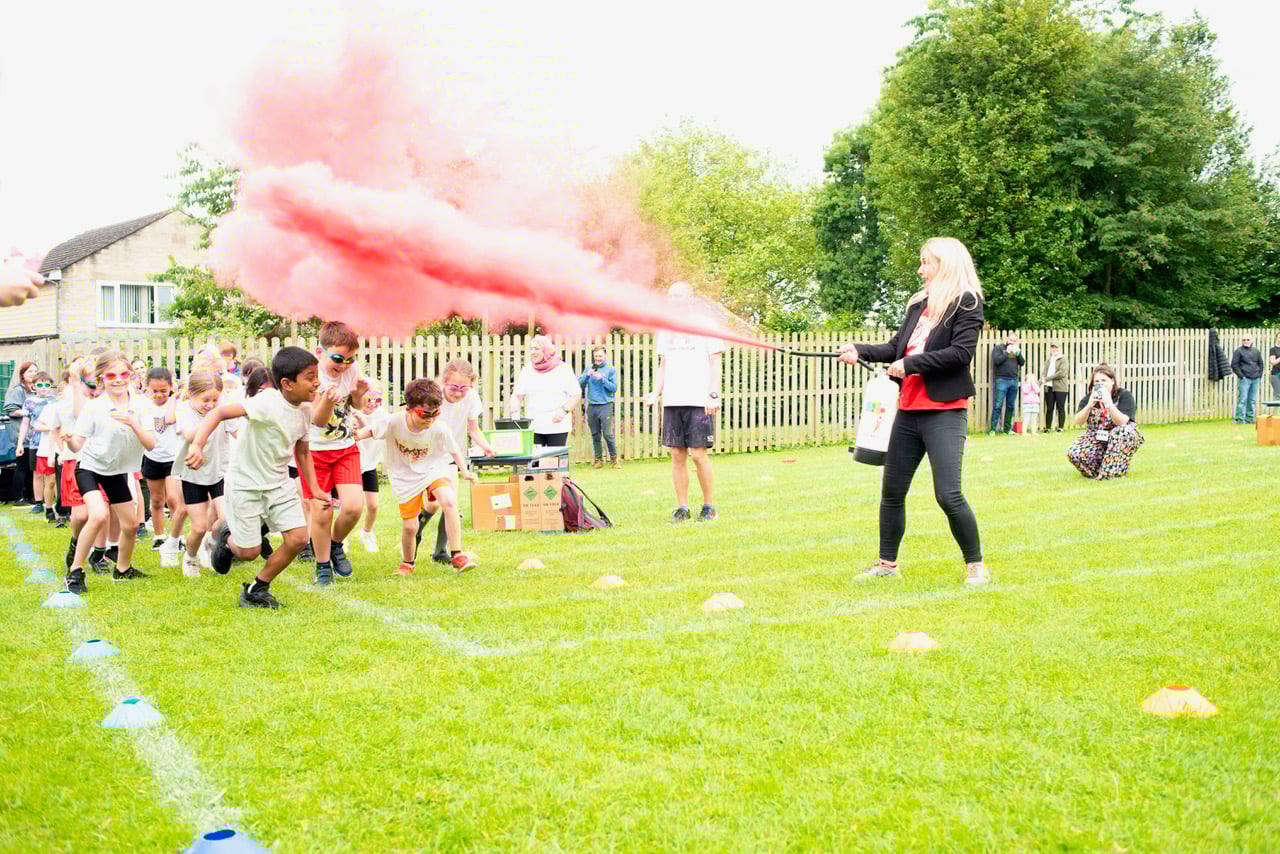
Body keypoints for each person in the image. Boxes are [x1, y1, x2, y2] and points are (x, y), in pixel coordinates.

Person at [839, 237, 990, 585]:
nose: (920, 270)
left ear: (946, 265)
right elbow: (896, 348)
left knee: (948, 494)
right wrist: (857, 349)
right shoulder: (918, 305)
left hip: (944, 411)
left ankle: (976, 566)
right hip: (907, 410)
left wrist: (913, 364)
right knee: (892, 491)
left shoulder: (967, 303)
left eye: (926, 263)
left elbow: (960, 354)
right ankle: (886, 565)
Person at [185, 346, 327, 609]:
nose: (316, 382)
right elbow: (219, 413)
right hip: (246, 486)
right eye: (309, 376)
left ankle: (257, 588)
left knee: (297, 539)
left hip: (279, 484)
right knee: (248, 552)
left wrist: (315, 489)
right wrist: (196, 446)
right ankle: (227, 541)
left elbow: (303, 451)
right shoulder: (266, 402)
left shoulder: (305, 410)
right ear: (287, 384)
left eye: (316, 375)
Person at [361, 378, 478, 576]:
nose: (430, 419)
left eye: (436, 413)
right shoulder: (393, 421)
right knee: (410, 526)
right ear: (409, 409)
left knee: (449, 501)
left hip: (434, 468)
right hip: (405, 476)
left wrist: (465, 472)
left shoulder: (439, 427)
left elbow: (455, 450)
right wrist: (351, 436)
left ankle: (457, 554)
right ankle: (408, 563)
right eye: (425, 414)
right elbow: (369, 431)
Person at [63, 350, 158, 594]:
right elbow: (77, 446)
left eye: (124, 373)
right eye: (111, 375)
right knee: (97, 516)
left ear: (132, 375)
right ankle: (75, 572)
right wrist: (68, 440)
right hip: (90, 468)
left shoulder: (143, 406)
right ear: (101, 378)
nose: (118, 379)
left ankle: (123, 569)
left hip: (117, 472)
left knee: (129, 525)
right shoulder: (94, 407)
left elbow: (150, 444)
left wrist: (132, 423)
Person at [644, 282, 724, 522]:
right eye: (670, 296)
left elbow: (715, 362)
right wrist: (655, 392)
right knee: (677, 456)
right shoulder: (666, 328)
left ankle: (709, 507)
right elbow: (663, 365)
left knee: (699, 455)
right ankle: (683, 508)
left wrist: (713, 394)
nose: (672, 300)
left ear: (691, 298)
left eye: (677, 296)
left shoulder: (706, 324)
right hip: (673, 400)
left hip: (698, 400)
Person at [304, 321, 370, 585]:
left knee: (354, 507)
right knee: (321, 511)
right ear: (320, 352)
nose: (344, 365)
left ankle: (335, 545)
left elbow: (356, 405)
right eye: (338, 359)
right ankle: (322, 565)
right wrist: (327, 402)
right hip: (314, 452)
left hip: (345, 449)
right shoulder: (310, 376)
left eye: (350, 359)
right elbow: (317, 421)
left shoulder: (351, 370)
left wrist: (359, 396)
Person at [416, 359, 495, 565]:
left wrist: (485, 445)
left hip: (452, 458)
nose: (459, 393)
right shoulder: (431, 397)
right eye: (454, 388)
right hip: (426, 457)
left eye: (464, 388)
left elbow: (473, 429)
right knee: (432, 505)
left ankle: (442, 551)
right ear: (443, 381)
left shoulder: (471, 398)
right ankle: (415, 531)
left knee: (450, 502)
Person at [171, 372, 228, 577]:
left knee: (226, 518)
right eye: (205, 400)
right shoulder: (184, 410)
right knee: (199, 526)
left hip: (219, 471)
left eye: (215, 400)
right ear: (192, 395)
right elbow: (190, 434)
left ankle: (211, 544)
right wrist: (216, 417)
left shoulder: (223, 410)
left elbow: (238, 432)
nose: (211, 405)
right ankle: (191, 555)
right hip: (193, 474)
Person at [140, 367, 187, 564]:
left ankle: (178, 537)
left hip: (173, 458)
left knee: (175, 500)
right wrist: (175, 397)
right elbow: (160, 424)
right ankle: (159, 537)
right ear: (147, 388)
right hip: (152, 457)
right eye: (155, 391)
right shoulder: (144, 407)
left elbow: (173, 418)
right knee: (157, 500)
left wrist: (175, 397)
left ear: (171, 388)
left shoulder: (178, 405)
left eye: (164, 391)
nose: (159, 395)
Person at [1067, 364, 1143, 480]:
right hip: (1097, 438)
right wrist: (1089, 405)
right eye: (1097, 381)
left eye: (1104, 380)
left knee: (1121, 432)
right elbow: (1078, 421)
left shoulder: (1124, 396)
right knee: (1074, 452)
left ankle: (1111, 474)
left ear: (1112, 381)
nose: (1100, 383)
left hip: (1120, 437)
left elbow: (1122, 422)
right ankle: (1099, 471)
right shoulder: (1089, 398)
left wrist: (1109, 404)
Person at [508, 336, 581, 447]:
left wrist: (564, 411)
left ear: (546, 350)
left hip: (557, 424)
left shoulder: (563, 369)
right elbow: (517, 395)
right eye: (531, 349)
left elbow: (576, 394)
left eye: (537, 349)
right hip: (534, 425)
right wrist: (515, 413)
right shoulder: (527, 370)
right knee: (536, 462)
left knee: (554, 461)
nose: (533, 352)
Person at [355, 379, 388, 553]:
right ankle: (341, 538)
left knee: (373, 506)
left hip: (369, 464)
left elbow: (374, 431)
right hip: (351, 464)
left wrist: (362, 420)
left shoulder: (382, 415)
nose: (373, 404)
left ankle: (367, 533)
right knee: (349, 506)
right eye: (369, 399)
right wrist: (359, 417)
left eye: (378, 400)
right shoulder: (352, 411)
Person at [16, 371, 56, 516]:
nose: (44, 388)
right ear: (33, 387)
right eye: (40, 385)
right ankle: (38, 502)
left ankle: (53, 502)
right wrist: (20, 443)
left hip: (53, 443)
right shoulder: (29, 402)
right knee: (38, 473)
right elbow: (25, 424)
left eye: (47, 384)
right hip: (35, 442)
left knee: (52, 475)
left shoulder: (56, 400)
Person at [5, 360, 41, 505]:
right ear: (22, 374)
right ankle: (19, 498)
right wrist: (28, 412)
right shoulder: (18, 390)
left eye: (35, 371)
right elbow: (10, 410)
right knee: (22, 467)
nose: (33, 374)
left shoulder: (35, 390)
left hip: (35, 437)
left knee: (33, 469)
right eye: (29, 371)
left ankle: (32, 497)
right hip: (22, 437)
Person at [579, 345, 620, 469]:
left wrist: (602, 379)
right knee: (595, 434)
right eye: (596, 356)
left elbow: (614, 388)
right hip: (592, 405)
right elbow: (580, 385)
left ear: (605, 355)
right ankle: (598, 460)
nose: (598, 358)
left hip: (605, 405)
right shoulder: (589, 368)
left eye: (600, 356)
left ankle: (614, 460)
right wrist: (587, 376)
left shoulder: (611, 370)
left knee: (608, 434)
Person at [989, 332, 1024, 434]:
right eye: (1010, 340)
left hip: (1013, 380)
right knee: (998, 405)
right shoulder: (999, 348)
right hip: (1001, 380)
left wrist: (1019, 354)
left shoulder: (1016, 350)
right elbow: (996, 361)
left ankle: (1007, 429)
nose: (1012, 342)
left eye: (1014, 341)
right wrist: (1006, 353)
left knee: (1010, 406)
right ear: (1007, 339)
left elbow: (1022, 363)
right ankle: (993, 429)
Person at [1230, 335, 1263, 424]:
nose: (1246, 341)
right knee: (1242, 399)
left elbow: (1261, 363)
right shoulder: (1238, 351)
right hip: (1245, 379)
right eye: (1244, 340)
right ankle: (1239, 419)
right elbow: (1234, 365)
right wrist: (1241, 376)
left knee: (1252, 400)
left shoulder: (1256, 351)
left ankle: (1250, 418)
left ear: (1251, 340)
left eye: (1248, 339)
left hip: (1255, 379)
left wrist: (1259, 375)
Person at [1042, 343, 1070, 431]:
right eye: (1053, 348)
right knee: (1049, 408)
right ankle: (1048, 428)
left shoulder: (1063, 359)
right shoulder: (1049, 360)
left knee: (1060, 407)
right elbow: (1044, 372)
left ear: (1060, 349)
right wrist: (1040, 381)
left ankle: (1060, 427)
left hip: (1060, 387)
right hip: (1048, 386)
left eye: (1056, 348)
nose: (1054, 350)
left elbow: (1061, 373)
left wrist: (1047, 378)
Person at [1270, 332, 1280, 401]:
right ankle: (1277, 411)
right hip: (1276, 374)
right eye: (1279, 337)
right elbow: (1273, 362)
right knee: (1278, 394)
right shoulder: (1273, 349)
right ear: (1276, 338)